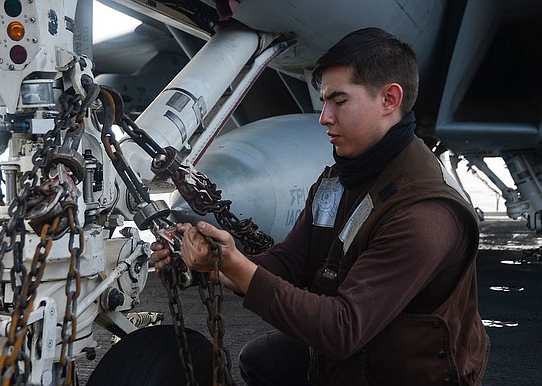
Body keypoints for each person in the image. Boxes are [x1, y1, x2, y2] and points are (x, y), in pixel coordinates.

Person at [151, 27, 490, 385]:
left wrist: (240, 269)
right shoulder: (339, 180)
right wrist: (216, 263)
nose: (324, 117)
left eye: (339, 101)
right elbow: (290, 262)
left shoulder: (424, 214)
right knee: (262, 359)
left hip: (405, 372)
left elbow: (342, 330)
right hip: (365, 351)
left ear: (390, 99)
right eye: (324, 100)